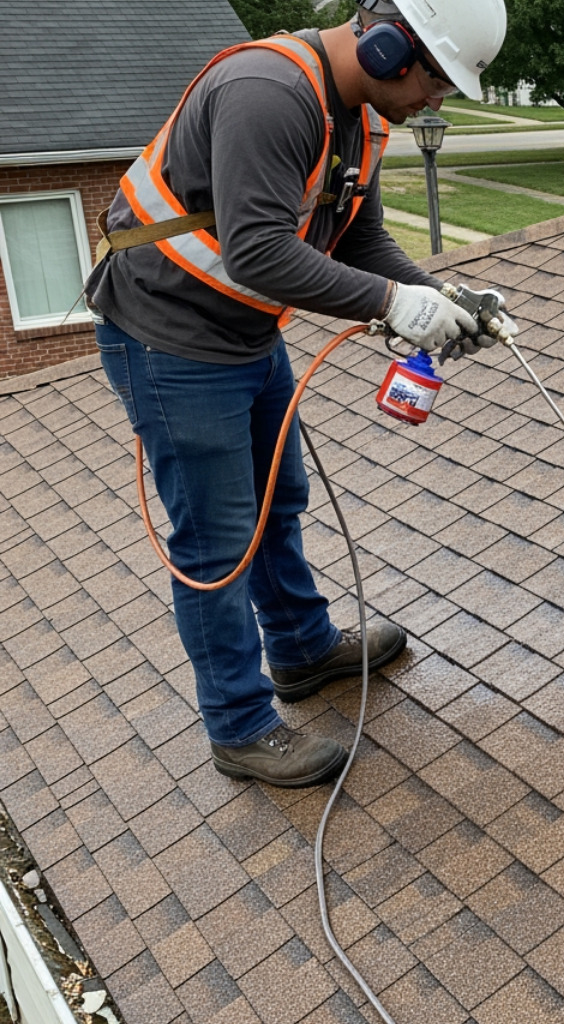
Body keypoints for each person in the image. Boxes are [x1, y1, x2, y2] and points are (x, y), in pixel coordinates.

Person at [87, 0, 507, 787]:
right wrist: (391, 306)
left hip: (243, 332)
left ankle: (302, 649)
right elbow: (255, 251)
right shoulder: (268, 91)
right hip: (169, 336)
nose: (435, 102)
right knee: (217, 544)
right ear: (388, 49)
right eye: (437, 82)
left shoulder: (365, 120)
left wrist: (441, 299)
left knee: (279, 498)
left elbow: (359, 238)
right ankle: (238, 725)